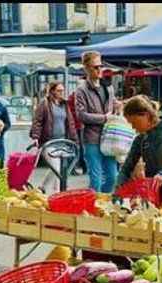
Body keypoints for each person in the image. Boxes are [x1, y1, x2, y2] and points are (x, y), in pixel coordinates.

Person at [75, 50, 121, 193]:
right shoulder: (81, 90)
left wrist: (118, 105)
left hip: (109, 138)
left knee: (113, 177)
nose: (99, 70)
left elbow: (113, 104)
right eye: (95, 67)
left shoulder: (108, 87)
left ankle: (103, 204)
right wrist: (104, 118)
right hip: (92, 139)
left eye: (100, 66)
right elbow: (81, 115)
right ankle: (93, 207)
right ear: (86, 68)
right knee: (95, 180)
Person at [30, 81, 78, 194]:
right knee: (56, 168)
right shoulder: (45, 104)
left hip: (63, 142)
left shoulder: (65, 105)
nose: (61, 93)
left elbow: (70, 123)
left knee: (60, 170)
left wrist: (75, 140)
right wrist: (36, 137)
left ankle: (42, 187)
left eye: (62, 90)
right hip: (49, 142)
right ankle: (58, 193)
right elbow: (37, 121)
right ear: (52, 91)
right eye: (59, 91)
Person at [67, 87, 86, 175]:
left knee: (77, 147)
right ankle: (79, 167)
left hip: (77, 126)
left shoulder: (71, 99)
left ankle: (76, 167)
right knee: (77, 147)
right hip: (75, 126)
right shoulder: (75, 98)